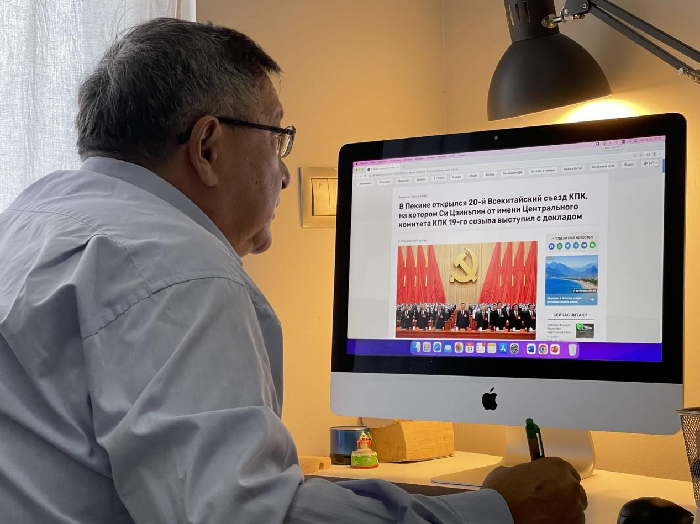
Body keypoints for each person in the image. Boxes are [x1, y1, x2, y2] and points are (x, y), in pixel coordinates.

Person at [0, 18, 586, 524]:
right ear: (207, 148)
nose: (284, 175)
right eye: (278, 137)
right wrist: (497, 512)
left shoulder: (30, 220)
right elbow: (248, 518)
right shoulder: (176, 269)